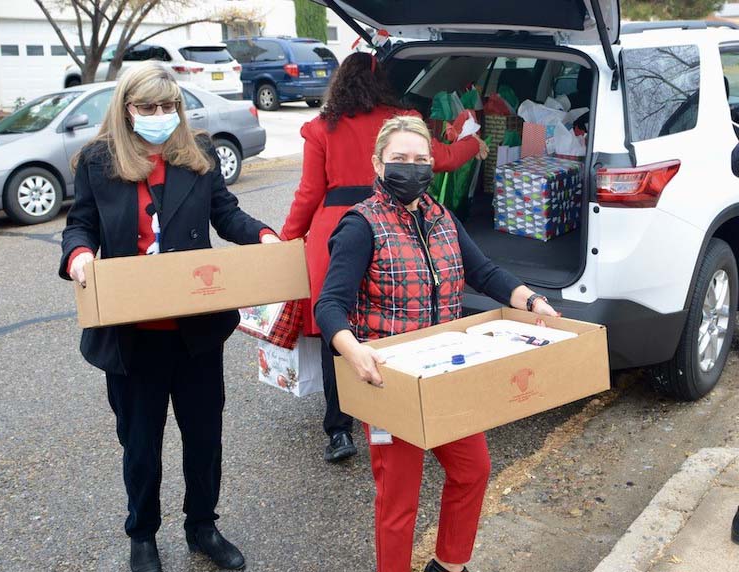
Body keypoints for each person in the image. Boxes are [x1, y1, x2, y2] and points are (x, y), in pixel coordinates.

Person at [59, 62, 278, 572]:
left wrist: (263, 236)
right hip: (132, 335)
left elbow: (225, 213)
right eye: (147, 107)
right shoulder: (97, 160)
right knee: (140, 445)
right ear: (126, 109)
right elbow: (81, 224)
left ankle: (202, 525)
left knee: (204, 437)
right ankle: (143, 535)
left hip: (195, 330)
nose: (159, 116)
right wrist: (79, 257)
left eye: (167, 107)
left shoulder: (196, 154)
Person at [315, 115, 559, 572]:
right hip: (392, 382)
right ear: (377, 164)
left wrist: (531, 300)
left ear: (433, 164)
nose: (412, 168)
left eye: (421, 160)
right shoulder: (361, 225)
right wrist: (352, 349)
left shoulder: (442, 217)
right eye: (399, 160)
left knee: (473, 470)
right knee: (398, 500)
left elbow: (483, 272)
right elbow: (329, 305)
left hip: (447, 372)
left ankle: (449, 565)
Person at [280, 51, 488, 463]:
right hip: (395, 222)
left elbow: (308, 193)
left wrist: (286, 241)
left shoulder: (322, 127)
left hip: (332, 230)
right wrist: (471, 142)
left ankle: (339, 430)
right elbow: (442, 158)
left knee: (335, 324)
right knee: (400, 318)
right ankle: (403, 407)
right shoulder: (402, 118)